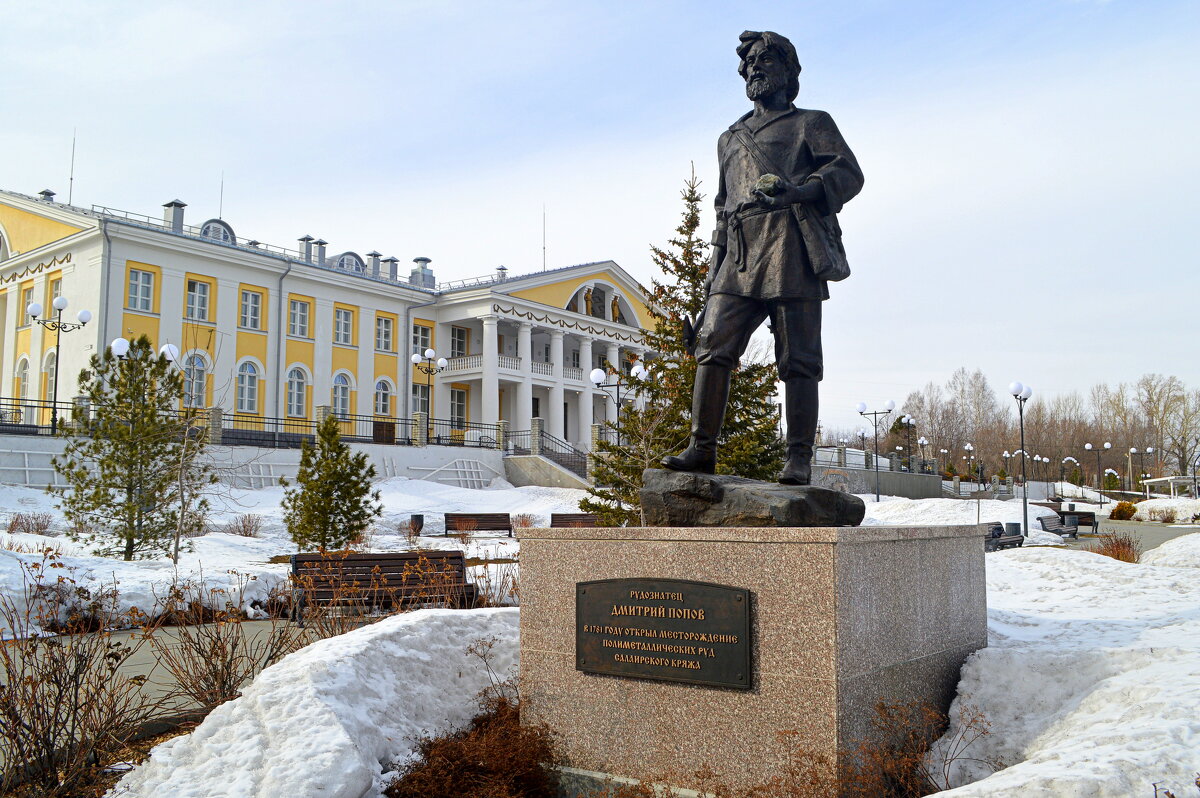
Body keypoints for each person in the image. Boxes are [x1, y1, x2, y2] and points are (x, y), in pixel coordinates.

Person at [663, 30, 864, 485]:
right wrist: (710, 281)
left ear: (789, 73)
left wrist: (799, 191)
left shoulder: (811, 122)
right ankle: (701, 448)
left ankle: (798, 458)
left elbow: (847, 172)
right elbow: (721, 207)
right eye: (751, 62)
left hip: (790, 243)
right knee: (712, 346)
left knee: (799, 357)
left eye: (767, 61)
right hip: (738, 252)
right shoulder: (729, 138)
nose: (755, 68)